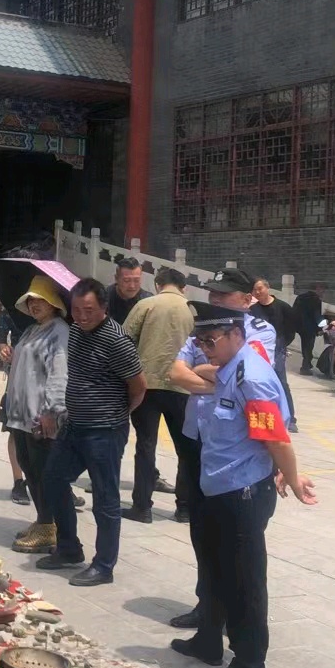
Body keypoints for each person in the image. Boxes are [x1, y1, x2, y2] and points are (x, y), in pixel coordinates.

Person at [169, 302, 317, 668]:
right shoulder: (232, 368)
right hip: (218, 487)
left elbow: (273, 435)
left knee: (243, 581)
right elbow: (200, 373)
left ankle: (250, 665)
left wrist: (293, 476)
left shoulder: (251, 377)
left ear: (237, 334)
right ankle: (208, 641)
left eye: (212, 340)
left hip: (242, 493)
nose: (205, 347)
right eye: (200, 341)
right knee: (215, 570)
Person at [166, 267, 277, 632]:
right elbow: (178, 373)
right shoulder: (204, 329)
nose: (214, 299)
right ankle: (208, 613)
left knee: (236, 543)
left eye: (224, 294)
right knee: (202, 532)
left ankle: (234, 616)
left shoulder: (261, 332)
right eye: (212, 293)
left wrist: (218, 380)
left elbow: (242, 379)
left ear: (246, 300)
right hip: (199, 439)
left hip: (236, 454)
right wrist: (218, 381)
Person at [35, 278, 146, 588]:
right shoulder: (74, 332)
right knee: (53, 480)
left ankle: (104, 564)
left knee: (105, 499)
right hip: (74, 427)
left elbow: (138, 386)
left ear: (104, 308)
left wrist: (118, 415)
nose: (82, 316)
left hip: (104, 432)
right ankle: (69, 548)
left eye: (89, 310)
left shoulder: (117, 340)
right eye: (76, 310)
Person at [3, 276, 70, 553]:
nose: (33, 305)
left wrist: (52, 412)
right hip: (21, 414)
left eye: (39, 299)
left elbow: (59, 374)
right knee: (29, 466)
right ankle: (42, 521)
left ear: (53, 303)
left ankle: (49, 525)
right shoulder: (32, 330)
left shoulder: (59, 331)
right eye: (30, 300)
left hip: (40, 417)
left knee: (43, 471)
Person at [124, 267, 195, 524]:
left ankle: (142, 507)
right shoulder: (192, 309)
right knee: (185, 449)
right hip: (183, 386)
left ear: (157, 284)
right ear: (182, 287)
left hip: (147, 384)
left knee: (145, 446)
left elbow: (124, 340)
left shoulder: (146, 305)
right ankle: (185, 508)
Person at [0, 300, 30, 505]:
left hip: (49, 374)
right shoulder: (11, 300)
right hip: (18, 372)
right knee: (15, 428)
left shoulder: (56, 299)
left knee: (54, 431)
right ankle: (19, 481)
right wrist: (3, 348)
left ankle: (58, 484)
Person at [252, 277, 299, 432]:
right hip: (258, 349)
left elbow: (291, 330)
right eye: (255, 290)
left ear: (268, 288)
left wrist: (282, 346)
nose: (258, 292)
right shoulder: (253, 310)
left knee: (281, 382)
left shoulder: (283, 307)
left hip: (278, 348)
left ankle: (291, 418)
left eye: (260, 288)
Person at [107, 256, 151, 325]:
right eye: (127, 280)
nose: (132, 286)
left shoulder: (148, 301)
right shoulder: (104, 298)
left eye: (136, 280)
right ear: (116, 279)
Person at [292, 283, 324, 375]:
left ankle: (307, 364)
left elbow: (294, 311)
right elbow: (317, 316)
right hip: (310, 328)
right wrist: (320, 329)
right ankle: (305, 367)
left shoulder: (300, 297)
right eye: (322, 290)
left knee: (305, 346)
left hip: (300, 326)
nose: (323, 293)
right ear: (318, 288)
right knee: (309, 347)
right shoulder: (316, 300)